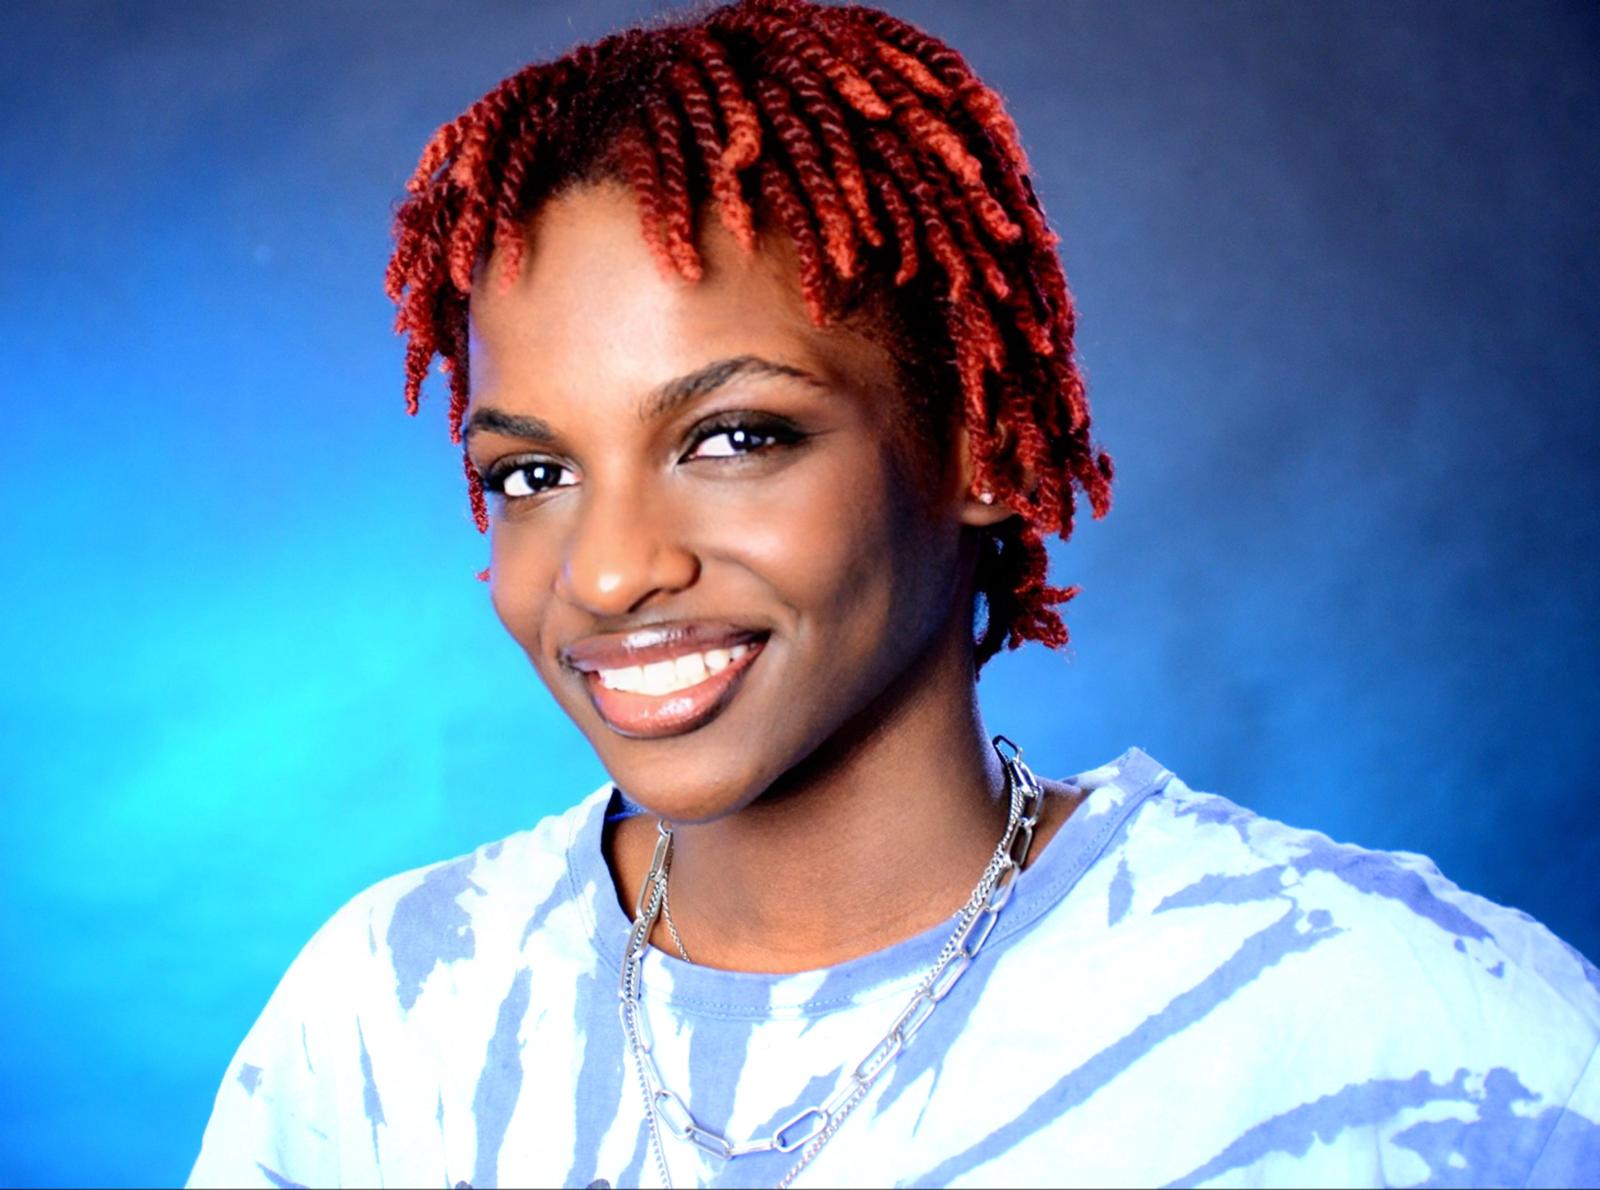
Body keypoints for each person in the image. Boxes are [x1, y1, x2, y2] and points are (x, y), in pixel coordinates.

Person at [186, 1, 1600, 1186]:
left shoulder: (1394, 1021)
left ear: (980, 441)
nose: (609, 570)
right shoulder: (394, 1018)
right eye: (534, 473)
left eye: (734, 438)